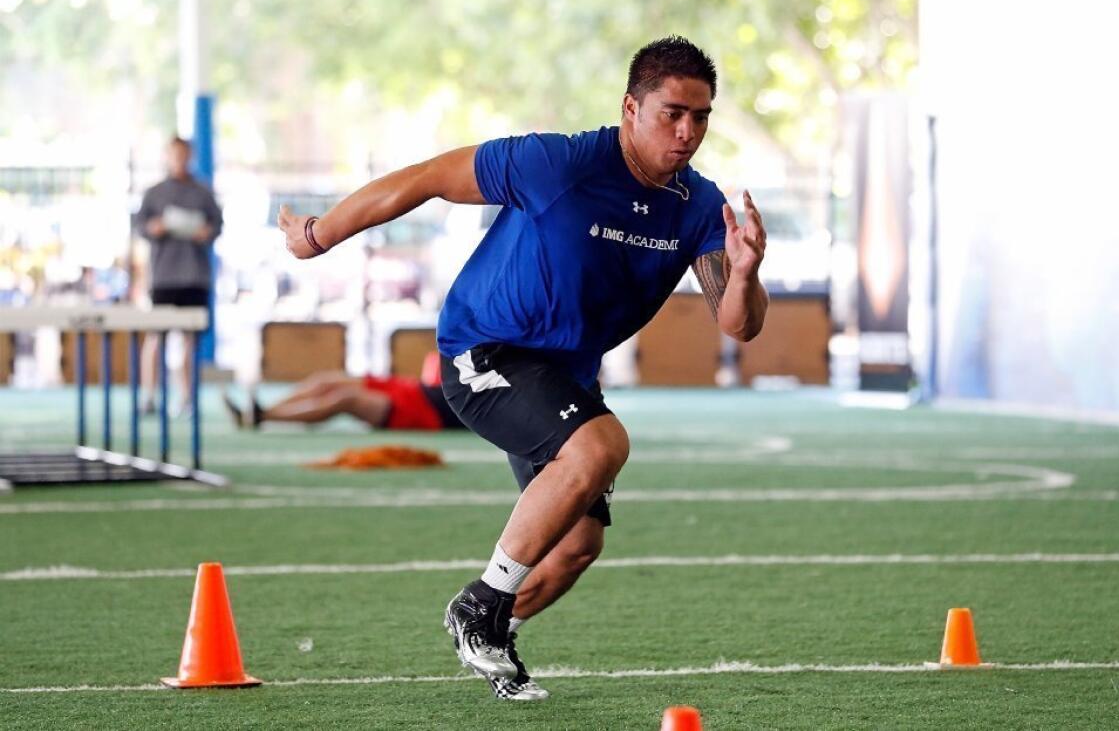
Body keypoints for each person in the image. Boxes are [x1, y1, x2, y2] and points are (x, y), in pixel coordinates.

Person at [278, 36, 768, 701]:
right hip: (486, 349)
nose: (688, 132)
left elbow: (738, 322)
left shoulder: (699, 206)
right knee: (603, 444)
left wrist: (744, 271)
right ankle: (479, 606)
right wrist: (319, 234)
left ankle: (490, 632)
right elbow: (425, 177)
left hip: (564, 373)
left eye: (702, 116)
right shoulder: (556, 163)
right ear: (630, 108)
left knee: (574, 548)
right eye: (673, 113)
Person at [134, 136, 222, 413]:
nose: (179, 160)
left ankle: (185, 397)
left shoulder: (203, 193)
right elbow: (139, 226)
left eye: (184, 155)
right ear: (167, 156)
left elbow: (217, 226)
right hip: (164, 277)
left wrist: (206, 232)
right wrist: (154, 228)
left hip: (194, 276)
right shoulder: (154, 193)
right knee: (155, 337)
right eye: (174, 155)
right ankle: (148, 395)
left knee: (189, 339)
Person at [221, 371, 465, 432]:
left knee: (345, 399)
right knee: (326, 381)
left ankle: (263, 416)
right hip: (416, 389)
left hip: (428, 412)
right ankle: (258, 412)